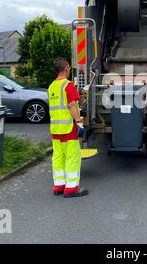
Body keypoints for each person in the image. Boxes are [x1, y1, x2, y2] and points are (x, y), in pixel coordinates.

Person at [47, 58, 88, 198]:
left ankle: (59, 185)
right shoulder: (68, 85)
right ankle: (71, 188)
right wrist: (78, 122)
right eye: (69, 68)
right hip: (68, 128)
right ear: (65, 68)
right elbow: (72, 105)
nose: (70, 70)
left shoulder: (52, 86)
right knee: (72, 157)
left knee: (58, 157)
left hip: (55, 129)